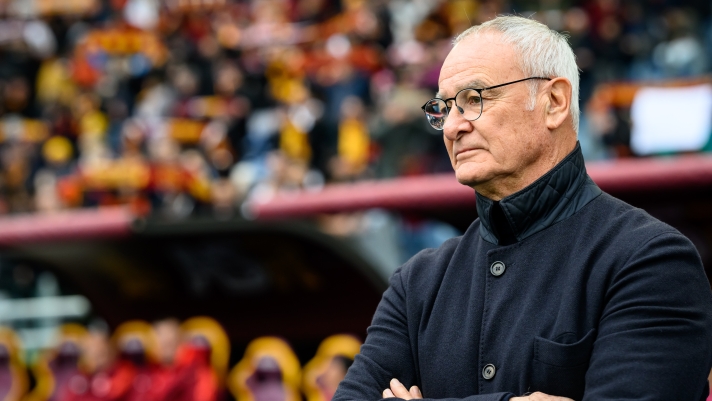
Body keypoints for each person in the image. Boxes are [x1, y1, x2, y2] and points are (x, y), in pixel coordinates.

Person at [332, 15, 712, 401]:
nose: (451, 127)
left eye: (474, 99)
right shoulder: (417, 283)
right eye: (444, 108)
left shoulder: (651, 261)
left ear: (554, 102)